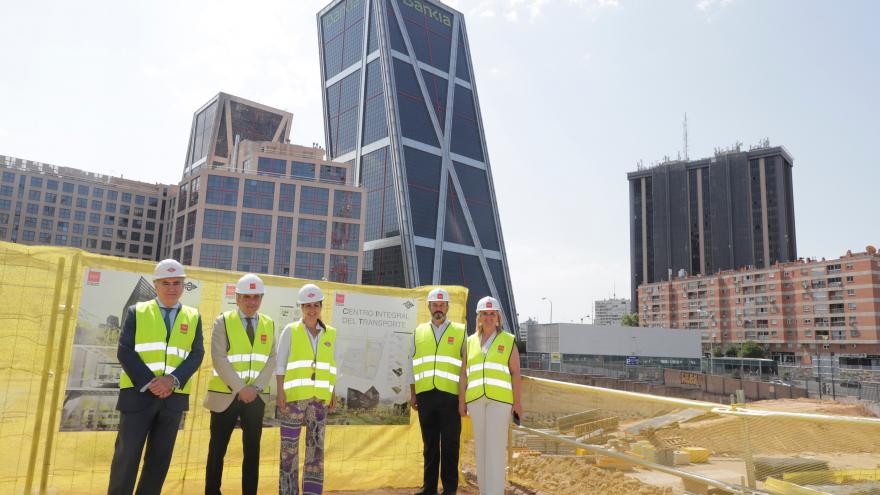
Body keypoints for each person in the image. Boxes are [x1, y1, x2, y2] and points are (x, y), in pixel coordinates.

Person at [108, 259, 205, 495]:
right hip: (138, 396)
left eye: (177, 283)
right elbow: (125, 350)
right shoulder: (137, 311)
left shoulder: (193, 316)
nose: (171, 287)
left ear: (184, 285)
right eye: (166, 283)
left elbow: (196, 354)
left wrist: (171, 380)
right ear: (156, 284)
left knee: (159, 462)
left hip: (172, 399)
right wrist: (152, 383)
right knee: (126, 458)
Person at [204, 274, 277, 495]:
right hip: (225, 396)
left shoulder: (269, 323)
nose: (251, 302)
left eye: (256, 297)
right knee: (217, 450)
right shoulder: (223, 321)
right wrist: (241, 388)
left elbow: (271, 359)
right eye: (247, 296)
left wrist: (254, 389)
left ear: (261, 299)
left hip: (255, 398)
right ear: (237, 297)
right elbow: (219, 357)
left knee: (252, 452)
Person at [275, 283, 338, 495]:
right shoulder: (290, 331)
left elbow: (331, 365)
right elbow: (280, 363)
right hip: (294, 399)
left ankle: (312, 492)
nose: (312, 310)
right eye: (308, 305)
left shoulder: (330, 334)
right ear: (301, 307)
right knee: (288, 450)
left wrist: (332, 392)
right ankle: (288, 491)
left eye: (316, 305)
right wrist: (280, 392)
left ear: (321, 307)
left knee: (316, 450)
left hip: (319, 400)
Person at [459, 296, 522, 495]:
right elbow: (464, 373)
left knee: (495, 451)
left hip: (500, 402)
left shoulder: (508, 340)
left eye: (492, 314)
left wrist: (517, 403)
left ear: (498, 317)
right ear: (478, 317)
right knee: (482, 450)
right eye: (484, 314)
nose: (488, 317)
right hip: (476, 401)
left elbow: (515, 373)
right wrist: (462, 400)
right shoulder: (470, 342)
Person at [406, 287, 467, 495]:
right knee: (429, 445)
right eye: (435, 304)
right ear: (429, 307)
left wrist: (463, 399)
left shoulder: (460, 331)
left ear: (448, 307)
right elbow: (411, 365)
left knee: (450, 444)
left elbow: (465, 368)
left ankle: (449, 489)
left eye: (442, 304)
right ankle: (429, 488)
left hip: (451, 397)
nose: (438, 308)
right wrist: (413, 394)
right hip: (426, 397)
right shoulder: (419, 331)